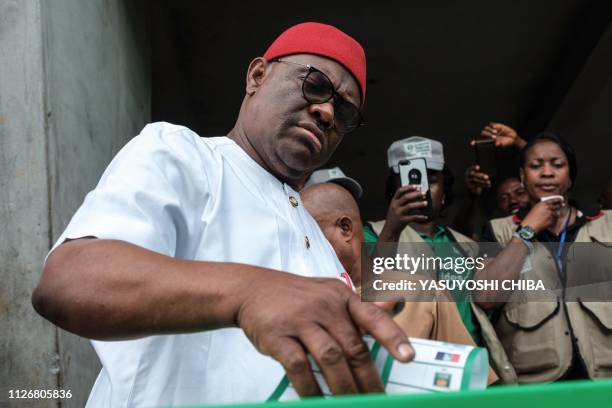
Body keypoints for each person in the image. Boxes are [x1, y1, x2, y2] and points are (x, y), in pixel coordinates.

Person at [32, 22, 415, 407]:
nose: (327, 112)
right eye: (315, 85)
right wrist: (251, 291)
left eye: (345, 112)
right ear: (257, 76)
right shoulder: (185, 156)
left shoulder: (318, 241)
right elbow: (69, 279)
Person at [302, 182, 499, 384]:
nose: (300, 246)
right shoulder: (303, 305)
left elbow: (469, 380)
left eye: (307, 236)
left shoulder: (423, 293)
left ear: (345, 228)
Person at [363, 136, 509, 382]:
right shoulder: (373, 233)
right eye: (410, 179)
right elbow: (371, 289)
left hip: (474, 367)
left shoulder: (467, 246)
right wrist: (392, 230)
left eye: (431, 179)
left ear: (444, 193)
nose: (420, 188)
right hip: (410, 368)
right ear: (393, 191)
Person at [477, 132, 612, 383]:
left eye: (557, 165)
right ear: (522, 176)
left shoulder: (607, 224)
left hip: (605, 380)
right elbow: (486, 296)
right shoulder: (497, 230)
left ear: (570, 176)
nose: (547, 172)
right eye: (536, 166)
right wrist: (526, 231)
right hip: (538, 383)